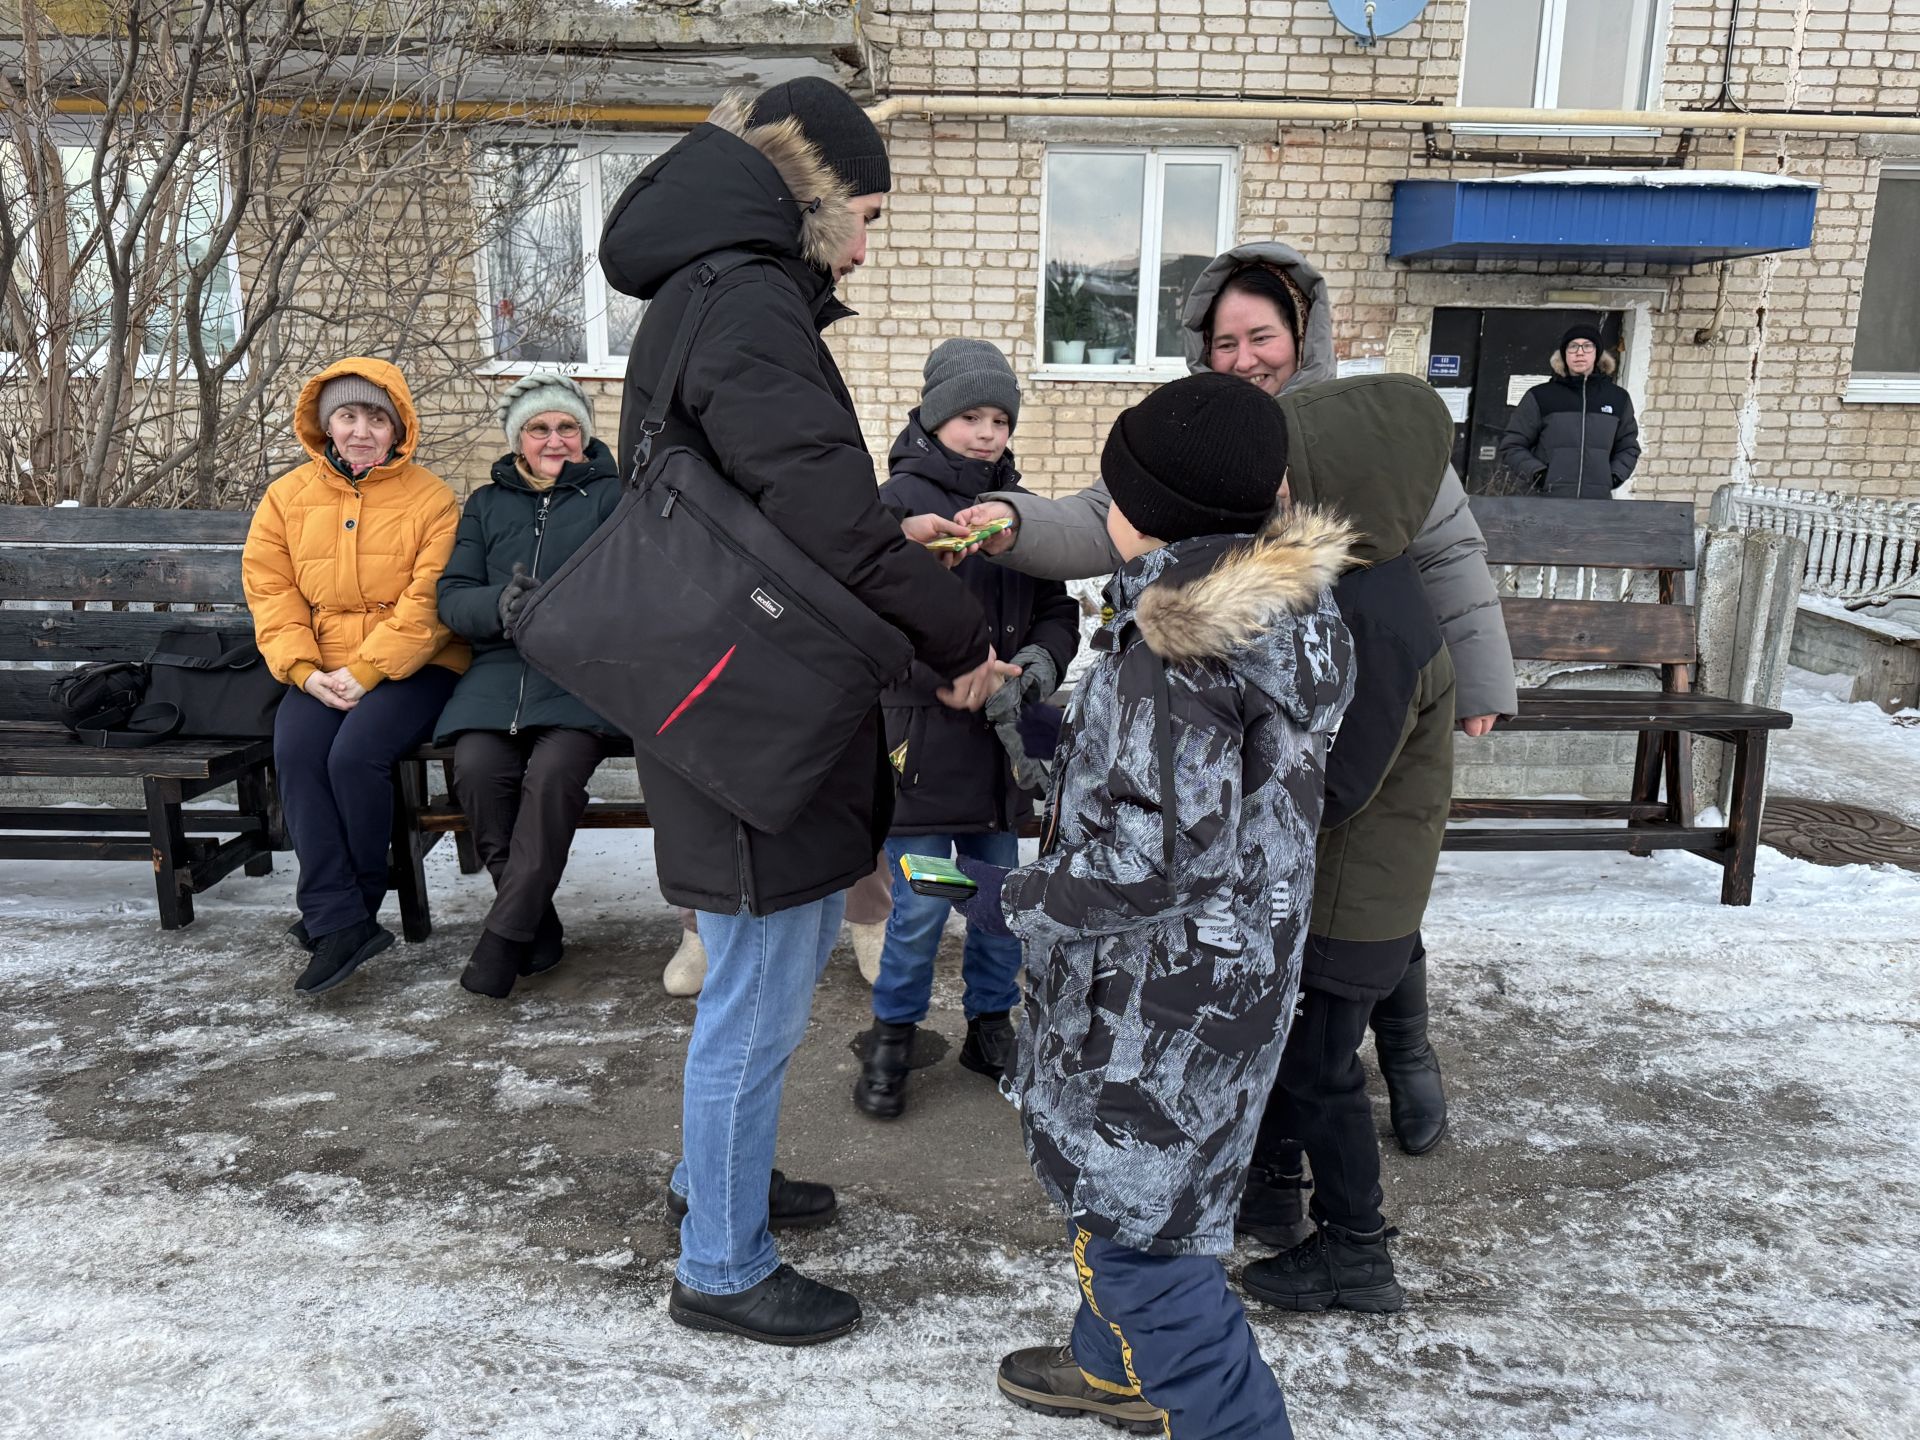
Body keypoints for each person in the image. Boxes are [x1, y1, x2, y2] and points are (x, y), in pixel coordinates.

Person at [598, 78, 1010, 1346]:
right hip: (748, 707)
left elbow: (800, 503)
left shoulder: (709, 290)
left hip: (729, 686)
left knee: (754, 976)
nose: (868, 246)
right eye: (866, 213)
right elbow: (827, 515)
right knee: (762, 991)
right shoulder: (746, 301)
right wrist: (959, 641)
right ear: (812, 193)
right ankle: (721, 1267)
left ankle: (709, 1187)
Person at [952, 240, 1510, 1160]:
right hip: (1284, 687)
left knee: (1368, 886)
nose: (1245, 358)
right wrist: (1011, 521)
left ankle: (1406, 1058)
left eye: (1262, 337)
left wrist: (1479, 678)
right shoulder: (1200, 440)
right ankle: (1284, 1147)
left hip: (1371, 677)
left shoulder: (1364, 429)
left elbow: (1449, 549)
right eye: (1224, 343)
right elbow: (1106, 515)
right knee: (1317, 883)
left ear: (1304, 334)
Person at [965, 373, 1354, 1439]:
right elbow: (1228, 780)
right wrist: (1062, 736)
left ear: (1139, 510)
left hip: (1153, 999)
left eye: (1111, 484)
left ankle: (1227, 1417)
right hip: (1238, 976)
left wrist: (1017, 894)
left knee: (1141, 1243)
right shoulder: (1294, 612)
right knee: (1148, 1201)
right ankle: (1115, 1373)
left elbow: (1157, 861)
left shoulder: (1175, 653)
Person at [1232, 374, 1458, 1315]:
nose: (1279, 492)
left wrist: (1237, 806)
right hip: (1340, 892)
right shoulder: (1365, 586)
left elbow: (1345, 784)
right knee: (1294, 1055)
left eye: (1296, 475)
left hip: (1353, 900)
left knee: (1323, 1072)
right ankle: (1276, 1198)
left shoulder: (1381, 620)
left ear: (1351, 484)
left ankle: (1357, 1251)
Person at [852, 339, 1080, 1120]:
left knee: (1001, 902)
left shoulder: (1022, 511)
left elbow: (1056, 608)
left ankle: (991, 1024)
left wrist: (1041, 667)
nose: (987, 433)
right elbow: (867, 621)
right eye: (970, 416)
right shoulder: (891, 505)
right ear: (934, 414)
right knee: (921, 899)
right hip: (920, 749)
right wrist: (940, 677)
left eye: (999, 419)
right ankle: (892, 1036)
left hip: (1001, 754)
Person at [243, 359, 468, 995]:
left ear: (399, 428)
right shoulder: (287, 497)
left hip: (416, 666)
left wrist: (367, 671)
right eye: (347, 416)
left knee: (355, 756)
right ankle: (338, 914)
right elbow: (271, 590)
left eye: (376, 417)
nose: (361, 430)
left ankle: (352, 907)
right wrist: (305, 671)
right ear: (325, 426)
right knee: (297, 749)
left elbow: (430, 602)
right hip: (320, 667)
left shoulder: (432, 499)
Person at [433, 373, 623, 999]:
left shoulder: (614, 498)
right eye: (540, 428)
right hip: (496, 677)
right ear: (519, 439)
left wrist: (561, 614)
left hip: (582, 677)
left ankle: (504, 937)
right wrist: (501, 606)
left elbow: (635, 591)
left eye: (567, 427)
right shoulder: (486, 505)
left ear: (584, 435)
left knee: (551, 779)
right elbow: (452, 600)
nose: (554, 440)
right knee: (478, 772)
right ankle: (534, 926)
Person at [1497, 323, 1641, 499]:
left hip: (1597, 502)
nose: (1579, 352)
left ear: (1597, 353)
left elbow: (1628, 447)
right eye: (1573, 347)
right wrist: (1538, 475)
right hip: (1546, 501)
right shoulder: (1540, 396)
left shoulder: (1617, 398)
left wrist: (1613, 476)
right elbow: (1512, 445)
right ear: (1564, 354)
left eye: (1587, 346)